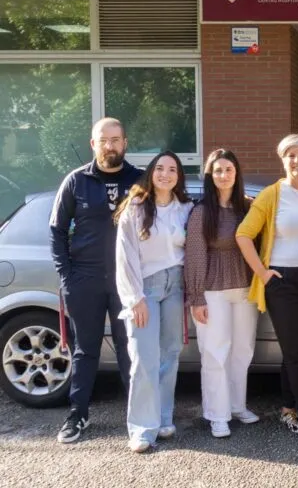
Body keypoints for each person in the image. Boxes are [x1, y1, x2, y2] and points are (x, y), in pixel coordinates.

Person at [236, 134, 298, 444]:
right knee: (296, 351)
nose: (297, 161)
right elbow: (243, 235)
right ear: (283, 160)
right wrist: (263, 274)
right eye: (291, 155)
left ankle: (287, 407)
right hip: (282, 280)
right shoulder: (271, 195)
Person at [49, 117, 143, 444]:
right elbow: (57, 231)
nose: (109, 146)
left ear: (125, 143)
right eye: (103, 140)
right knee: (85, 350)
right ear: (93, 144)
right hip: (84, 279)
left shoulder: (139, 180)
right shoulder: (76, 181)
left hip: (126, 281)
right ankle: (78, 415)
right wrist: (67, 277)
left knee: (129, 348)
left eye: (115, 140)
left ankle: (137, 417)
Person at [115, 151, 194, 453]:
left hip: (175, 287)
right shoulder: (135, 208)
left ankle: (162, 419)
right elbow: (124, 257)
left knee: (170, 355)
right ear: (151, 172)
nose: (165, 174)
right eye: (160, 168)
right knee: (143, 359)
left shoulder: (185, 208)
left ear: (179, 176)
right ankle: (141, 429)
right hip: (145, 288)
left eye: (172, 169)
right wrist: (134, 298)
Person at [185, 149, 258, 439]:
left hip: (245, 288)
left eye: (228, 169)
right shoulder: (202, 211)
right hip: (212, 290)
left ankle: (237, 406)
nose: (224, 175)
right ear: (210, 175)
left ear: (236, 173)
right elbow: (194, 255)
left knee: (243, 350)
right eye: (218, 170)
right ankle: (217, 414)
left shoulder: (248, 207)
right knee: (215, 353)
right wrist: (196, 297)